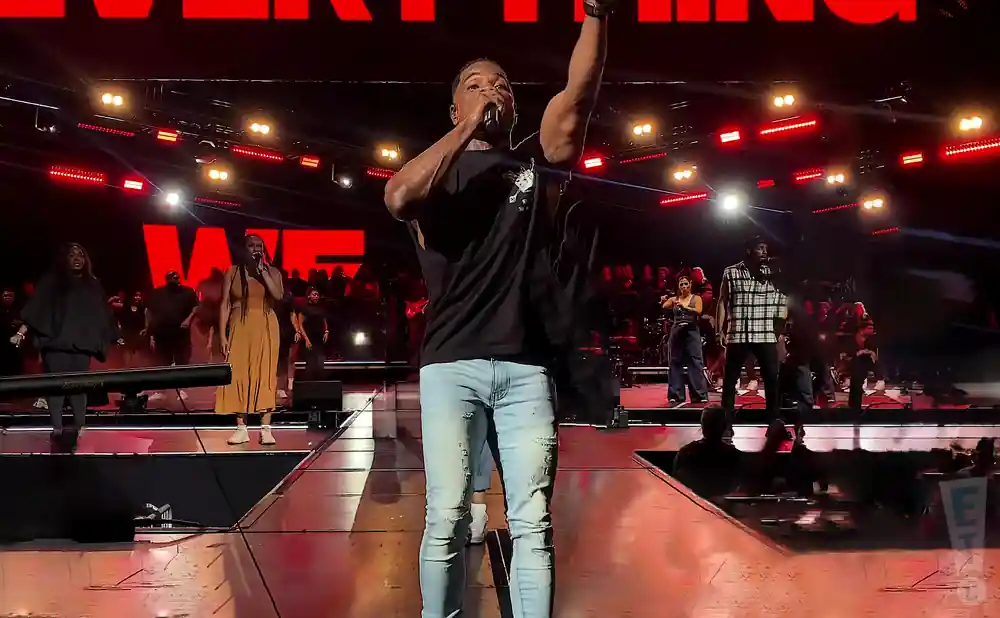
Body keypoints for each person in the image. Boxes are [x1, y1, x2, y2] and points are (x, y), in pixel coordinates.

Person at [382, 1, 612, 614]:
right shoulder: (433, 178)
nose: (492, 90)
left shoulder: (536, 163)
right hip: (451, 364)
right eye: (476, 84)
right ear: (454, 108)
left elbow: (579, 95)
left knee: (532, 521)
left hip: (525, 366)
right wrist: (466, 129)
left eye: (502, 84)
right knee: (448, 514)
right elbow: (398, 196)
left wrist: (597, 13)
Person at [11, 243, 120, 448]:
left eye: (80, 254)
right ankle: (57, 428)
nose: (77, 258)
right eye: (72, 255)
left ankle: (80, 427)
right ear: (64, 259)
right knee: (57, 387)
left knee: (78, 387)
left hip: (82, 345)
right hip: (56, 343)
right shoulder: (52, 282)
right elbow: (37, 309)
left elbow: (102, 313)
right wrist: (21, 332)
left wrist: (115, 336)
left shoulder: (93, 284)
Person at [717, 237, 794, 440]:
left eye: (766, 248)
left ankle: (775, 425)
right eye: (760, 248)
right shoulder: (731, 272)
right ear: (749, 250)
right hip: (738, 333)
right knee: (730, 383)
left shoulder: (772, 274)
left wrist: (778, 330)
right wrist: (719, 330)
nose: (764, 252)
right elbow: (723, 301)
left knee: (772, 382)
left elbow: (783, 301)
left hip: (765, 334)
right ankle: (725, 426)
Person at [216, 235, 284, 446]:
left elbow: (278, 296)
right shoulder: (232, 272)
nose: (255, 249)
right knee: (238, 374)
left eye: (259, 246)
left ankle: (266, 428)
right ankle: (241, 428)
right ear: (243, 249)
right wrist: (222, 335)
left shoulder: (273, 272)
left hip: (265, 324)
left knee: (265, 373)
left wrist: (262, 271)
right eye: (251, 245)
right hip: (239, 325)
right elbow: (225, 304)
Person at [145, 271, 199, 400]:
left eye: (177, 277)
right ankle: (161, 391)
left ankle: (182, 389)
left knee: (182, 360)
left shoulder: (188, 292)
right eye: (173, 277)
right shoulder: (158, 293)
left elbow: (196, 308)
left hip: (180, 332)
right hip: (162, 332)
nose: (176, 279)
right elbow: (149, 311)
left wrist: (188, 320)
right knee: (161, 361)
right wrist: (149, 331)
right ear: (167, 279)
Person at [672, 406, 742, 498]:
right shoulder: (733, 455)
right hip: (723, 504)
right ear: (724, 427)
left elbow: (676, 483)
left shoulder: (686, 452)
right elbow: (737, 484)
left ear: (702, 425)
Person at [661, 274, 709, 404]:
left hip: (691, 330)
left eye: (686, 284)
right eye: (681, 284)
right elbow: (665, 306)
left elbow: (698, 311)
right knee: (675, 361)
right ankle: (676, 394)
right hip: (677, 331)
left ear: (690, 285)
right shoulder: (674, 299)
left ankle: (699, 394)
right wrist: (663, 300)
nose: (684, 286)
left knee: (695, 362)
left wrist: (684, 307)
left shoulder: (696, 298)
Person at [295, 287, 328, 380]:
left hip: (319, 338)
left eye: (317, 295)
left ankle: (320, 383)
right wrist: (306, 339)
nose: (316, 296)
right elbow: (300, 325)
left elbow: (324, 320)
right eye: (314, 294)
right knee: (311, 362)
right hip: (309, 337)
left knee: (320, 362)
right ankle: (309, 383)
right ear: (309, 296)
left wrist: (326, 331)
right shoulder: (304, 308)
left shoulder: (320, 308)